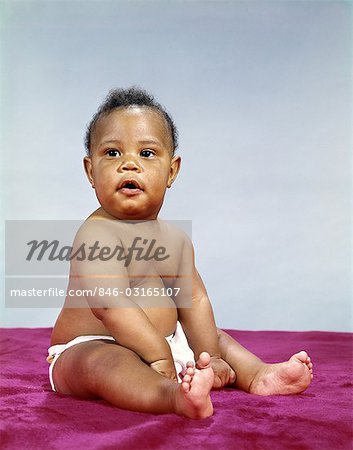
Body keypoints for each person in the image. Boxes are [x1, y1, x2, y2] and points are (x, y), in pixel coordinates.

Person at [48, 87, 313, 419]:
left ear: (171, 171)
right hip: (91, 345)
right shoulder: (96, 234)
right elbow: (109, 305)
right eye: (113, 153)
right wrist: (160, 358)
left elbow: (195, 300)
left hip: (168, 343)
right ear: (91, 171)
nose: (129, 164)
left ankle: (258, 374)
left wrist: (210, 355)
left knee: (214, 336)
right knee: (103, 364)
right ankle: (172, 396)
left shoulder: (174, 240)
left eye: (146, 153)